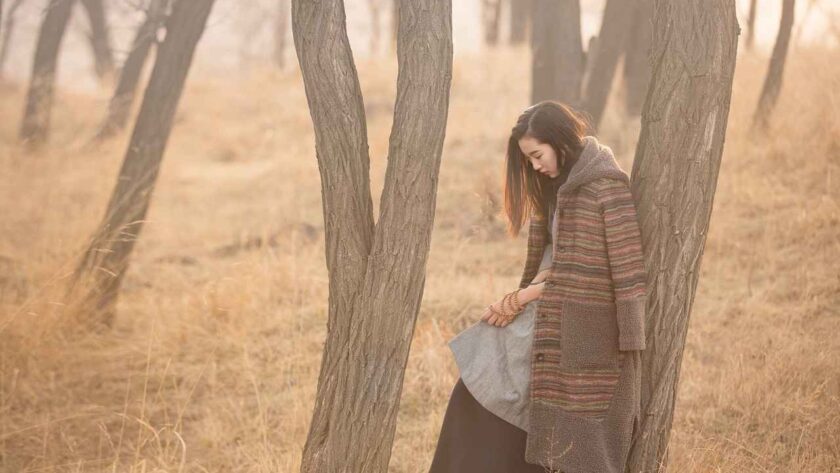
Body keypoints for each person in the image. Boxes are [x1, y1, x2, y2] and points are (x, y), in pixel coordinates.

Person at [429, 101, 648, 473]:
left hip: (585, 333)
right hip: (547, 317)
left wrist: (521, 297)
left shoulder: (606, 189)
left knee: (520, 408)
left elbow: (618, 272)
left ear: (560, 141)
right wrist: (524, 294)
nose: (534, 166)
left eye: (536, 155)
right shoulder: (555, 190)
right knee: (475, 387)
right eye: (528, 159)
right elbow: (557, 260)